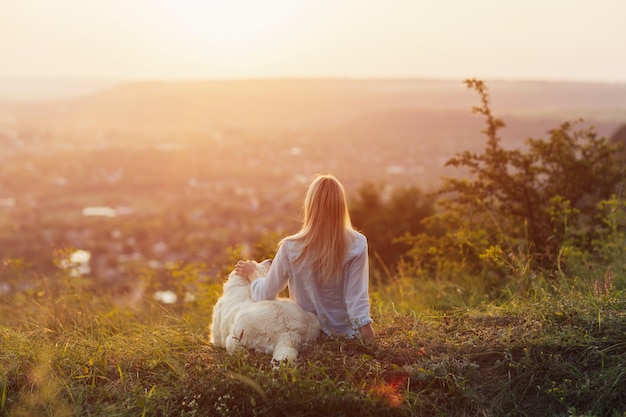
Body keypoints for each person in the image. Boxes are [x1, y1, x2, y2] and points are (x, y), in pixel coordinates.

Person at [235, 174, 375, 340]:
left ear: (310, 206)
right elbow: (356, 301)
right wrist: (373, 346)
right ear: (341, 206)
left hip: (308, 338)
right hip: (346, 338)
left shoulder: (290, 247)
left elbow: (264, 294)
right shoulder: (358, 243)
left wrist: (253, 274)